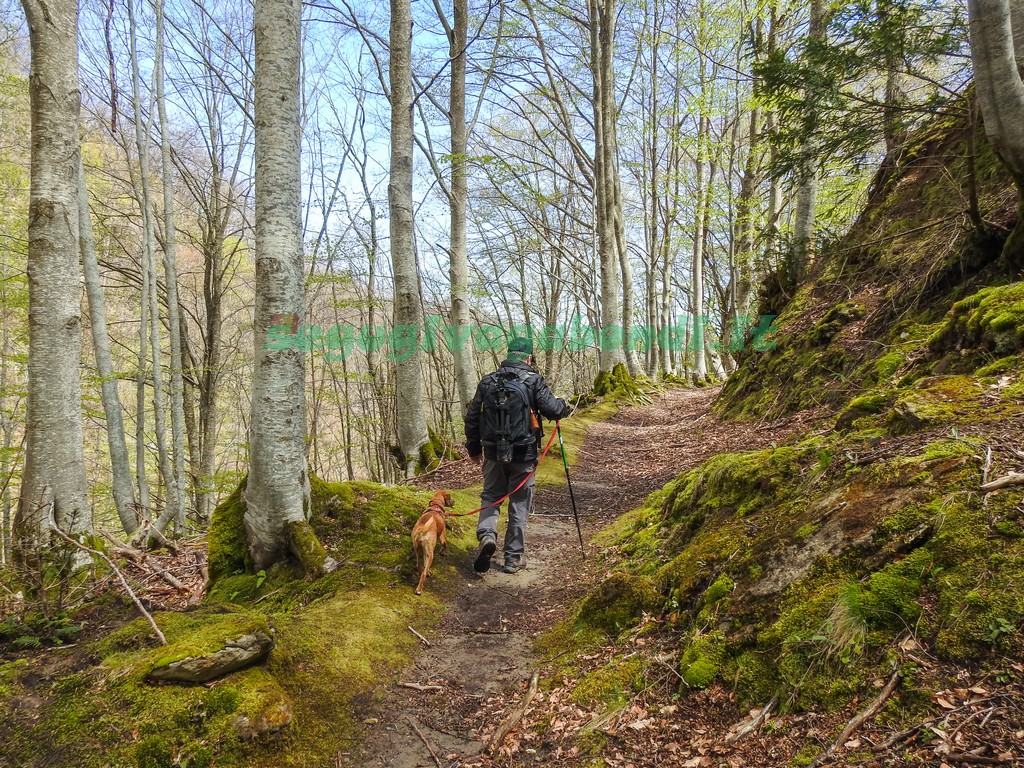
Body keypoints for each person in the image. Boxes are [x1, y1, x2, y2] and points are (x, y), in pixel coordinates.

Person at [464, 337, 570, 574]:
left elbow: (471, 418)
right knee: (519, 503)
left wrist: (474, 449)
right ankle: (513, 558)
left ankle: (487, 535)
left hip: (492, 452)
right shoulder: (533, 381)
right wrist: (564, 405)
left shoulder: (488, 381)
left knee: (491, 495)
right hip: (524, 454)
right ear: (529, 358)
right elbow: (553, 409)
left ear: (508, 355)